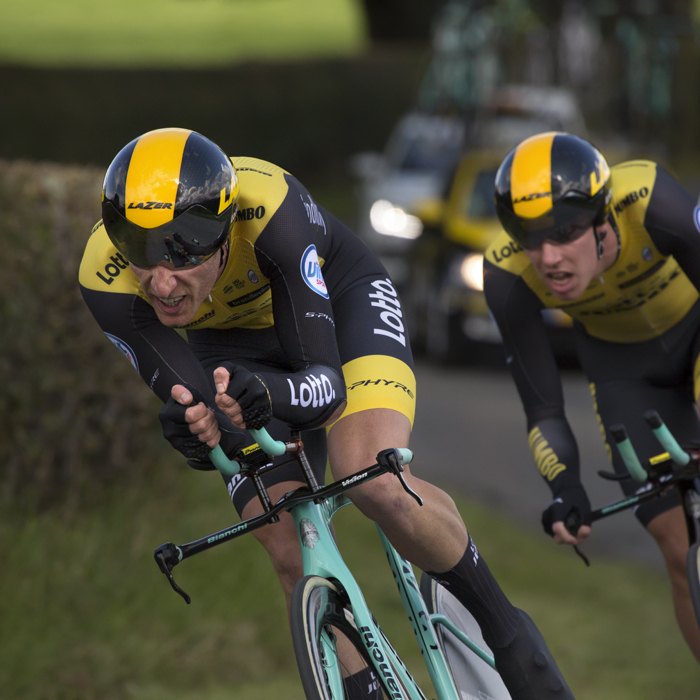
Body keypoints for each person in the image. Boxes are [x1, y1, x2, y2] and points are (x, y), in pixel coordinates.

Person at [79, 127, 574, 698]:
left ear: (221, 234)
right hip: (227, 349)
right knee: (285, 540)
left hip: (338, 310)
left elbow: (325, 387)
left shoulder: (270, 209)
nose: (162, 281)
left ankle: (507, 634)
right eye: (141, 251)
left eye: (183, 251)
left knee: (374, 478)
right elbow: (199, 410)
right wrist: (196, 433)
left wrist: (268, 393)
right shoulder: (105, 277)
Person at [484, 130, 700, 663]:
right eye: (529, 237)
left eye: (565, 232)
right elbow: (543, 407)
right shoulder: (506, 272)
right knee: (678, 548)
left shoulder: (651, 200)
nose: (549, 256)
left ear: (604, 217)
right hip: (626, 374)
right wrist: (564, 487)